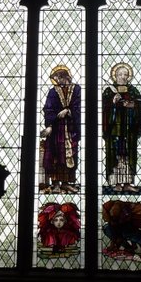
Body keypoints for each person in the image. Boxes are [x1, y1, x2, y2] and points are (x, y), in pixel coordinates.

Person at [102, 62, 141, 192]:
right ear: (115, 76)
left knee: (127, 155)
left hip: (129, 129)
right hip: (114, 129)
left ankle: (127, 183)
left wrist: (131, 105)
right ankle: (116, 183)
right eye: (120, 74)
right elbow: (104, 109)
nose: (123, 77)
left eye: (125, 74)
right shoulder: (109, 91)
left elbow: (139, 105)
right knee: (115, 154)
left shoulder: (133, 91)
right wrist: (113, 102)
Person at [40, 65, 81, 193]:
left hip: (71, 128)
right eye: (55, 79)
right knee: (56, 155)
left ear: (65, 77)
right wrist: (50, 125)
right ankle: (56, 183)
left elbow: (80, 106)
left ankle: (66, 183)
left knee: (71, 154)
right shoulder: (53, 92)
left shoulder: (77, 90)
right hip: (56, 129)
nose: (57, 81)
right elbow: (48, 109)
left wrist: (68, 111)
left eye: (59, 78)